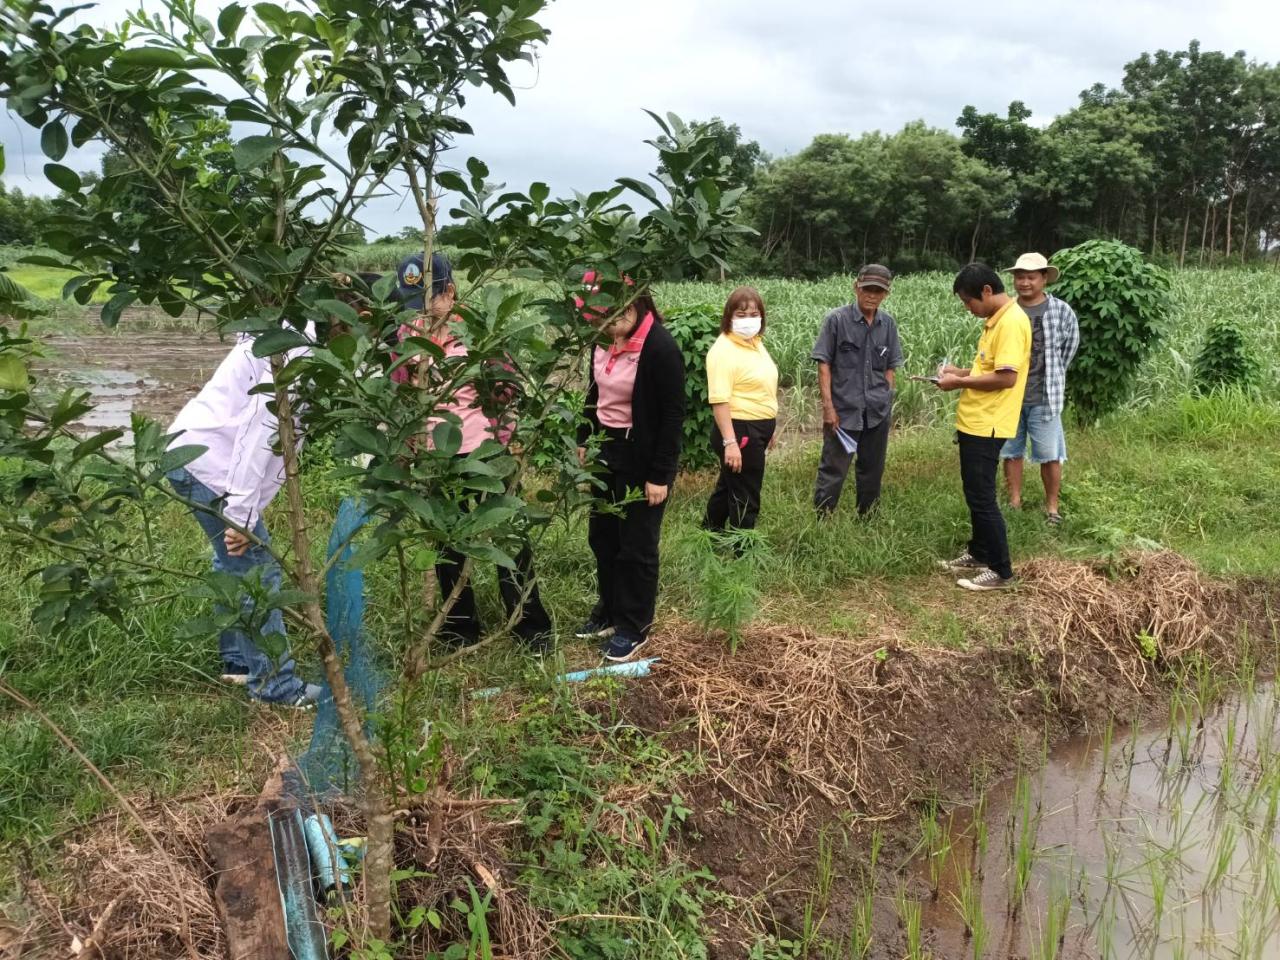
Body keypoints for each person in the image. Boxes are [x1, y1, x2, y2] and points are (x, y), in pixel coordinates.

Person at [393, 252, 554, 653]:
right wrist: (408, 447)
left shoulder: (479, 335)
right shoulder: (406, 337)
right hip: (436, 459)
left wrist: (504, 433)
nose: (421, 315)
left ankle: (530, 628)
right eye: (412, 306)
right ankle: (459, 629)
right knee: (448, 544)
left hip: (483, 452)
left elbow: (508, 389)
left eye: (428, 302)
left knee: (508, 538)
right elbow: (400, 396)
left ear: (451, 292)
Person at [166, 326, 322, 708]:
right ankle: (275, 687)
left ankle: (239, 662)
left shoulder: (284, 335)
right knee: (256, 571)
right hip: (209, 463)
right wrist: (240, 514)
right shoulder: (295, 354)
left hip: (192, 454)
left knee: (232, 561)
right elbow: (261, 431)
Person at [574, 276, 685, 662]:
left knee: (637, 545)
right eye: (597, 320)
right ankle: (609, 609)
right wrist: (584, 437)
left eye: (610, 317)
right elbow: (594, 393)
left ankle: (633, 626)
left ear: (634, 304)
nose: (604, 327)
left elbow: (673, 416)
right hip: (606, 450)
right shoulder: (603, 342)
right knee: (603, 536)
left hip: (641, 455)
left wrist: (660, 475)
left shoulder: (660, 348)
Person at [936, 263, 1032, 591]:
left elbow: (1006, 377)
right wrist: (960, 372)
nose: (968, 308)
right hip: (975, 421)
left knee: (983, 498)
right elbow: (988, 369)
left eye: (968, 301)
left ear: (987, 291)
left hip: (988, 424)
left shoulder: (1011, 323)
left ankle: (1001, 570)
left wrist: (957, 384)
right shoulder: (996, 322)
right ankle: (978, 552)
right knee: (974, 493)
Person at [810, 264, 905, 517]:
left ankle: (868, 518)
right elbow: (824, 365)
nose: (872, 295)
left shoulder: (888, 325)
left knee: (872, 468)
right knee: (833, 468)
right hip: (843, 411)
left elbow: (890, 369)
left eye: (878, 290)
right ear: (856, 287)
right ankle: (823, 519)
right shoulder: (837, 320)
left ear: (886, 293)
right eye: (867, 289)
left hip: (876, 411)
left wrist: (885, 399)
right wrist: (829, 408)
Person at [999, 253, 1079, 525]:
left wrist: (1052, 375)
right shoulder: (1006, 310)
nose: (1024, 282)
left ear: (1044, 278)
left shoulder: (1061, 311)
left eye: (1031, 277)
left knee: (1050, 454)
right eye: (1019, 277)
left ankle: (1052, 508)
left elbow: (1069, 349)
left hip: (1046, 396)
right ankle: (1013, 502)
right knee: (1010, 451)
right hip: (1009, 395)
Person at [703, 286, 778, 536]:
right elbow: (719, 400)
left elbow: (762, 388)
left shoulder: (754, 343)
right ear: (729, 317)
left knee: (729, 486)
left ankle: (709, 534)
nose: (749, 320)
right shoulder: (723, 350)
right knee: (746, 492)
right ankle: (742, 550)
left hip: (757, 427)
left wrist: (771, 427)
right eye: (741, 315)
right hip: (739, 429)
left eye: (754, 314)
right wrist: (730, 443)